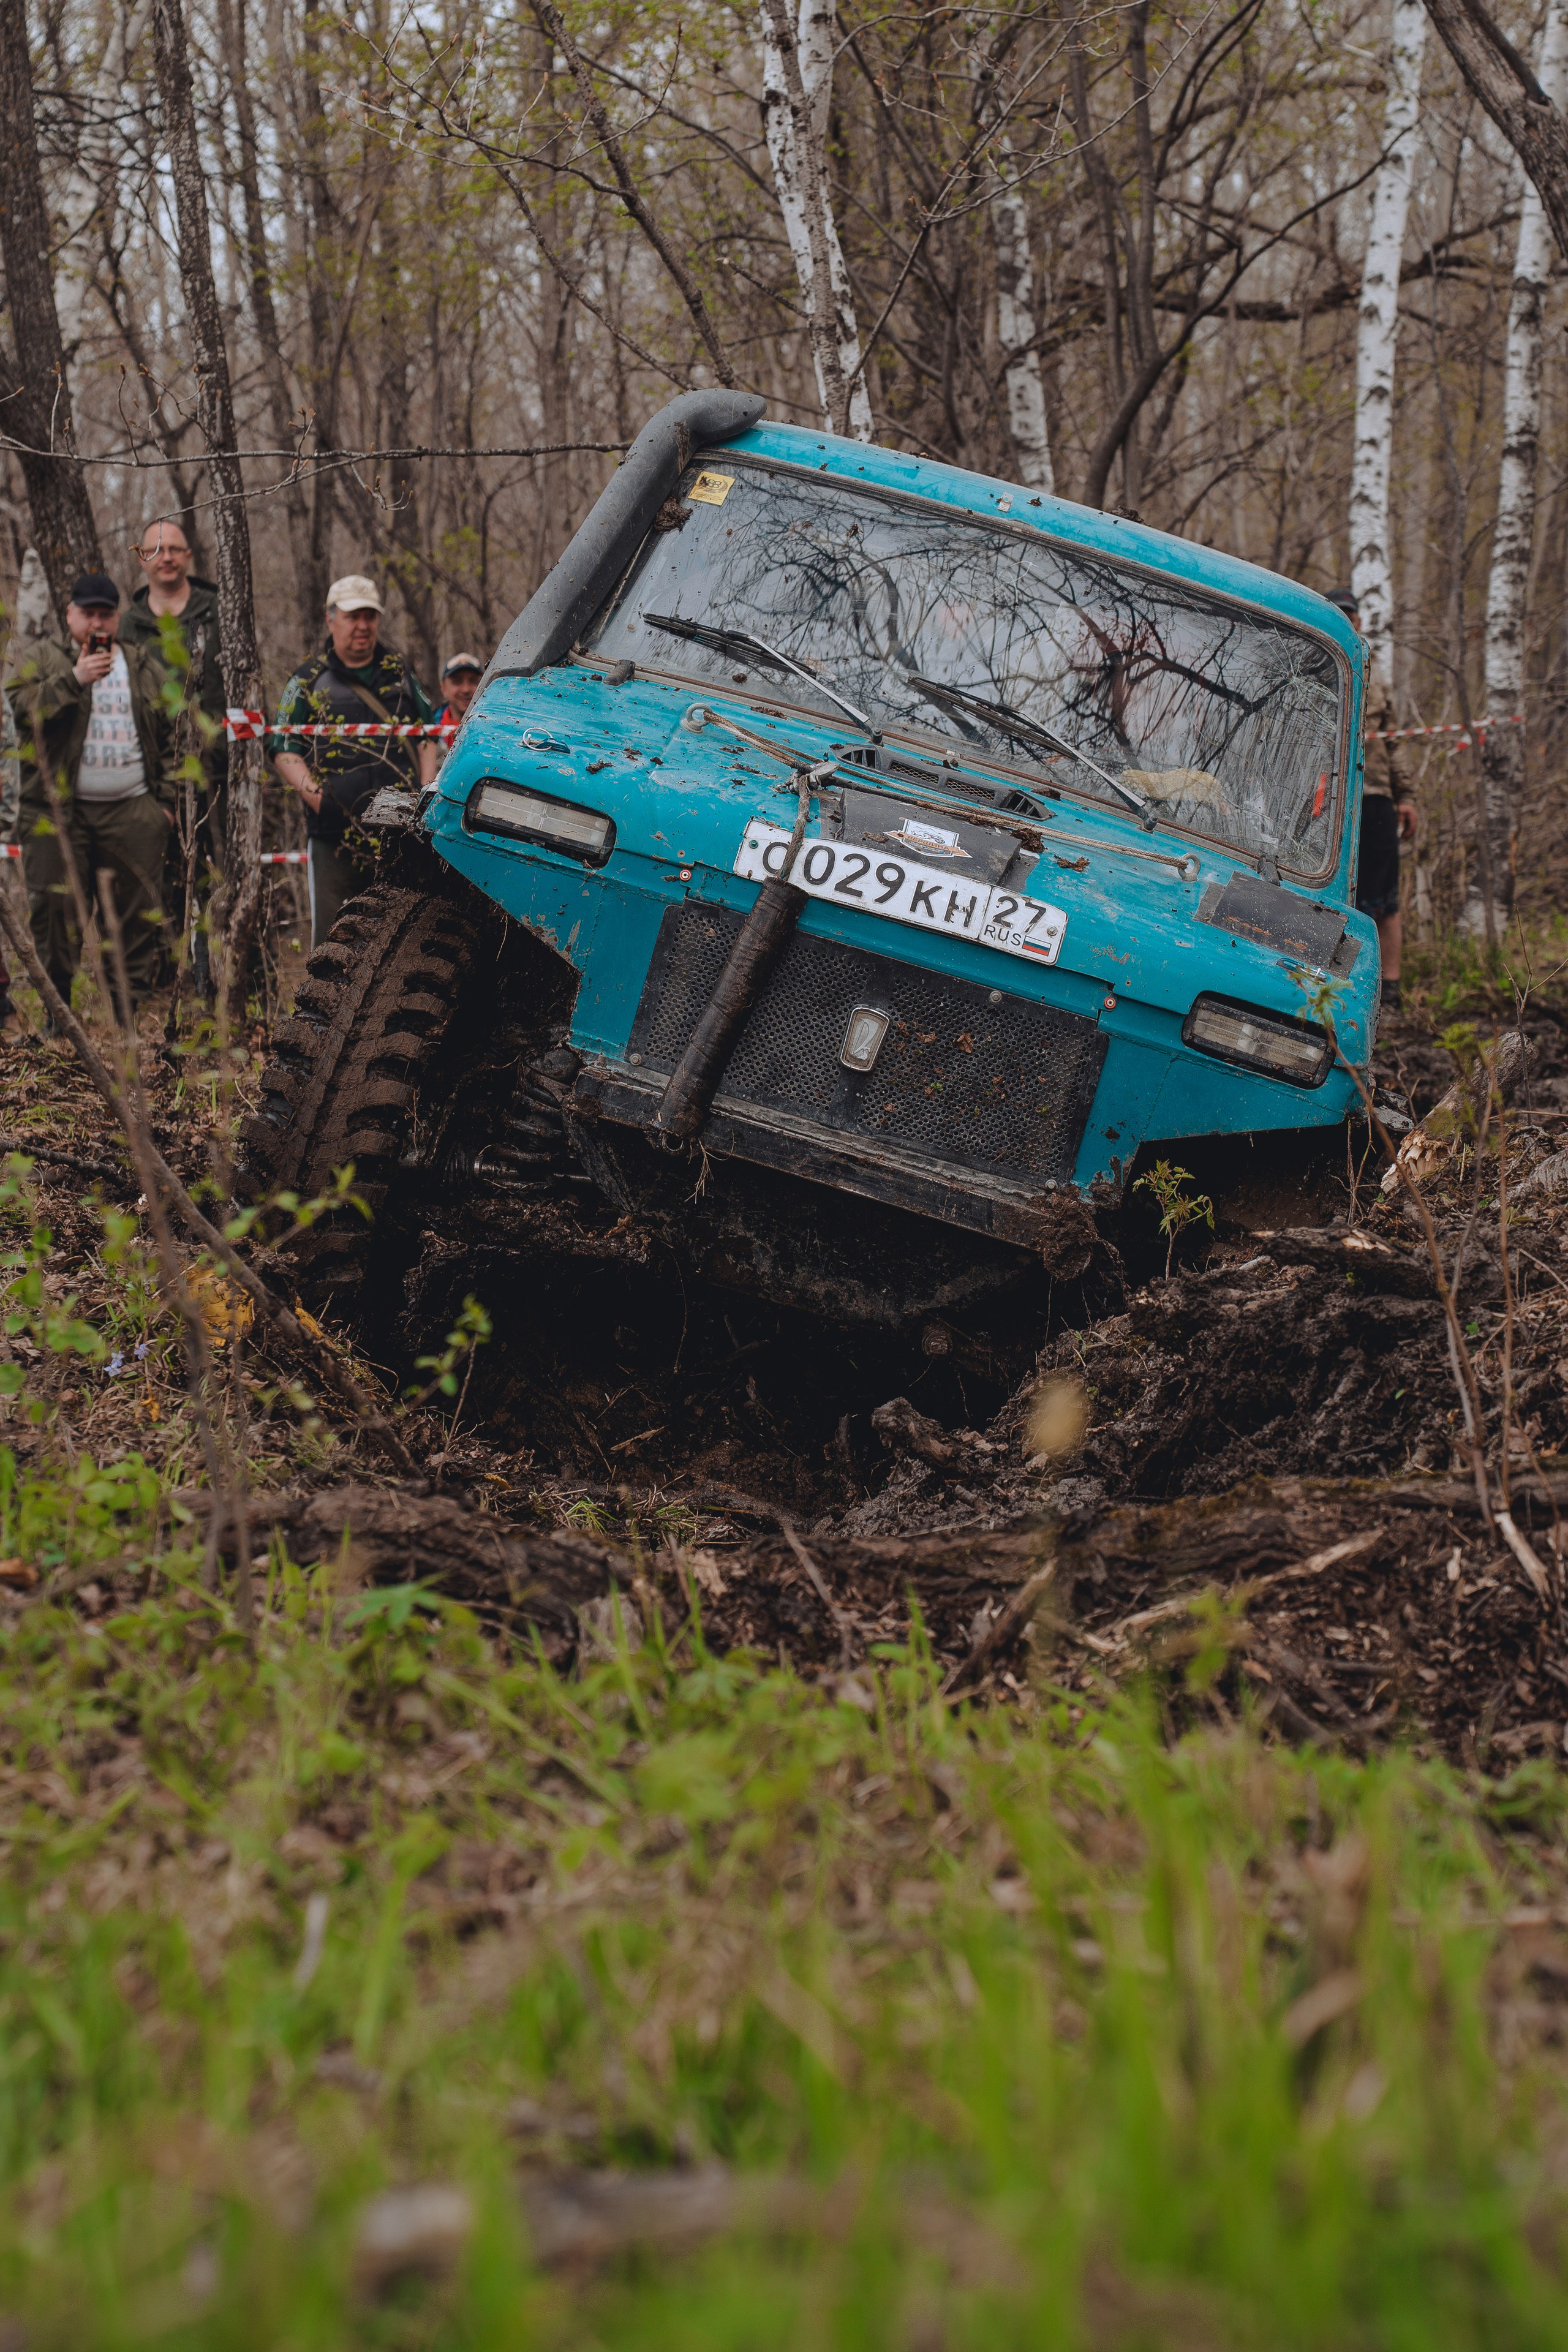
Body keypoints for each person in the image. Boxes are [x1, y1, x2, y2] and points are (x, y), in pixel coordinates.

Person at [7, 572, 179, 1012]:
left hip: (133, 811)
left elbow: (175, 733)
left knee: (134, 918)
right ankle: (59, 1014)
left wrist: (164, 805)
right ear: (70, 615)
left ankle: (126, 1017)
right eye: (88, 614)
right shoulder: (43, 657)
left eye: (106, 614)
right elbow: (20, 711)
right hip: (56, 813)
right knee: (54, 911)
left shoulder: (142, 665)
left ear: (118, 618)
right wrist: (74, 678)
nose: (97, 623)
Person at [271, 576, 441, 950]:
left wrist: (423, 795)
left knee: (400, 941)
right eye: (353, 617)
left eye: (369, 616)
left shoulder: (401, 673)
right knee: (330, 943)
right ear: (331, 620)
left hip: (399, 835)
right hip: (333, 838)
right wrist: (320, 800)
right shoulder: (307, 679)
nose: (362, 626)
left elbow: (428, 736)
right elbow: (284, 748)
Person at [1324, 587, 1415, 1011]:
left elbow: (1395, 742)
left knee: (1384, 897)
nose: (1348, 619)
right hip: (1328, 798)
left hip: (1376, 796)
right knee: (1332, 895)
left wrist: (1406, 796)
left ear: (1359, 621)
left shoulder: (1375, 677)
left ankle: (1390, 988)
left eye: (1352, 614)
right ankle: (1331, 984)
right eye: (1339, 613)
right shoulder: (1317, 665)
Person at [119, 518, 227, 869]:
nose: (166, 557)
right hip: (154, 780)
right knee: (163, 881)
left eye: (174, 549)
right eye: (156, 550)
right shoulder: (128, 625)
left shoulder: (219, 612)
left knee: (223, 878)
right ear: (142, 558)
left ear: (188, 556)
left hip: (219, 772)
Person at [436, 653, 483, 726]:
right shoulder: (426, 727)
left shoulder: (497, 727)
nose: (466, 690)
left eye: (474, 681)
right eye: (457, 682)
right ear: (444, 688)